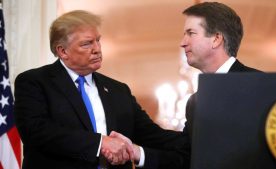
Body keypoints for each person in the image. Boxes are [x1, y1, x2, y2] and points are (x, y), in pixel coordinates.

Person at [14, 10, 189, 169]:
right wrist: (100, 143)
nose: (97, 49)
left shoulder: (118, 90)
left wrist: (199, 141)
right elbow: (37, 132)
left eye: (97, 40)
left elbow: (151, 135)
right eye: (87, 44)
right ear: (63, 51)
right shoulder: (34, 82)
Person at [180, 1, 261, 146]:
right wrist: (138, 153)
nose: (183, 42)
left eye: (190, 33)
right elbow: (186, 157)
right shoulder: (194, 102)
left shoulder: (261, 85)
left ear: (216, 39)